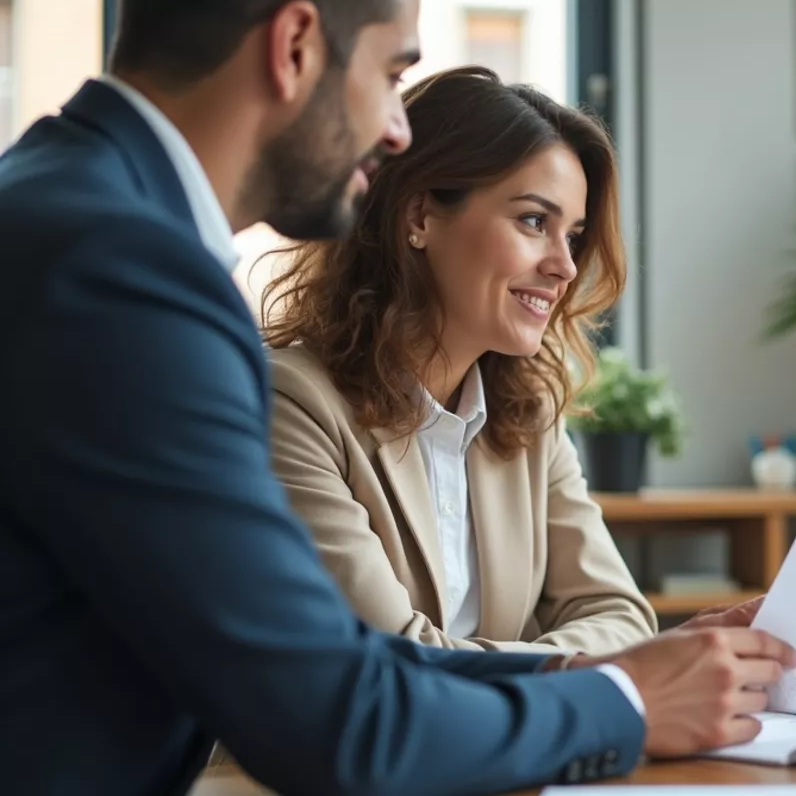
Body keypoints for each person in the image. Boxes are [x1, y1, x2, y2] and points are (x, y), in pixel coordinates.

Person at [0, 0, 793, 794]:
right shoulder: (122, 271)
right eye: (392, 73)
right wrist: (624, 695)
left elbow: (338, 667)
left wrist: (624, 667)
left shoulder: (67, 213)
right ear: (295, 45)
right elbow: (335, 712)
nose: (396, 131)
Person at [258, 66, 656, 658]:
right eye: (533, 221)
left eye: (571, 235)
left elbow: (619, 613)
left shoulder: (530, 417)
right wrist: (564, 673)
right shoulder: (292, 406)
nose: (565, 267)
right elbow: (391, 660)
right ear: (419, 218)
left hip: (507, 749)